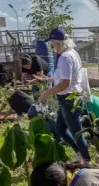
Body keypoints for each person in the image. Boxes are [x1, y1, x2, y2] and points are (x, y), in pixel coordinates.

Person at [38, 28, 90, 162]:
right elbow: (65, 77)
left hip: (69, 98)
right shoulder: (72, 53)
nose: (52, 47)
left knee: (77, 133)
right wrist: (48, 80)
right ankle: (79, 153)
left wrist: (45, 94)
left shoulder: (65, 58)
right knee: (60, 129)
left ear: (58, 43)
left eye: (53, 44)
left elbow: (65, 83)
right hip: (69, 98)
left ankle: (87, 160)